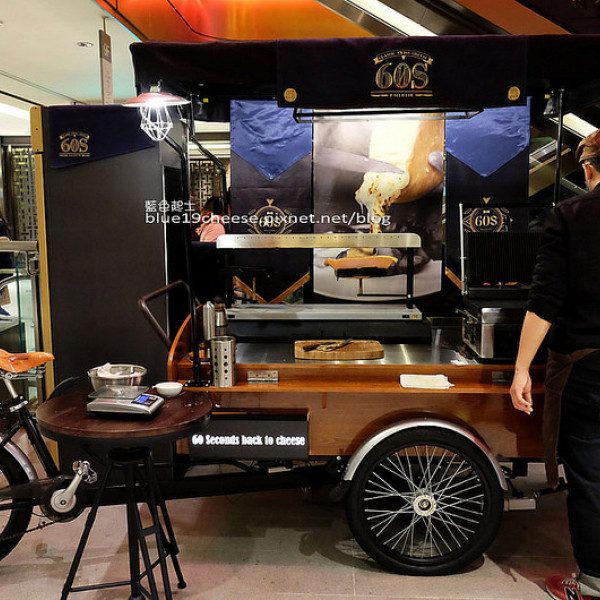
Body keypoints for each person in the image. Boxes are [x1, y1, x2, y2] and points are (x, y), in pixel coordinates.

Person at [510, 128, 600, 600]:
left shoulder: (571, 215)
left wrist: (521, 369)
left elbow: (545, 301)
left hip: (589, 367)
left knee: (591, 476)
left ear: (588, 168)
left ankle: (593, 584)